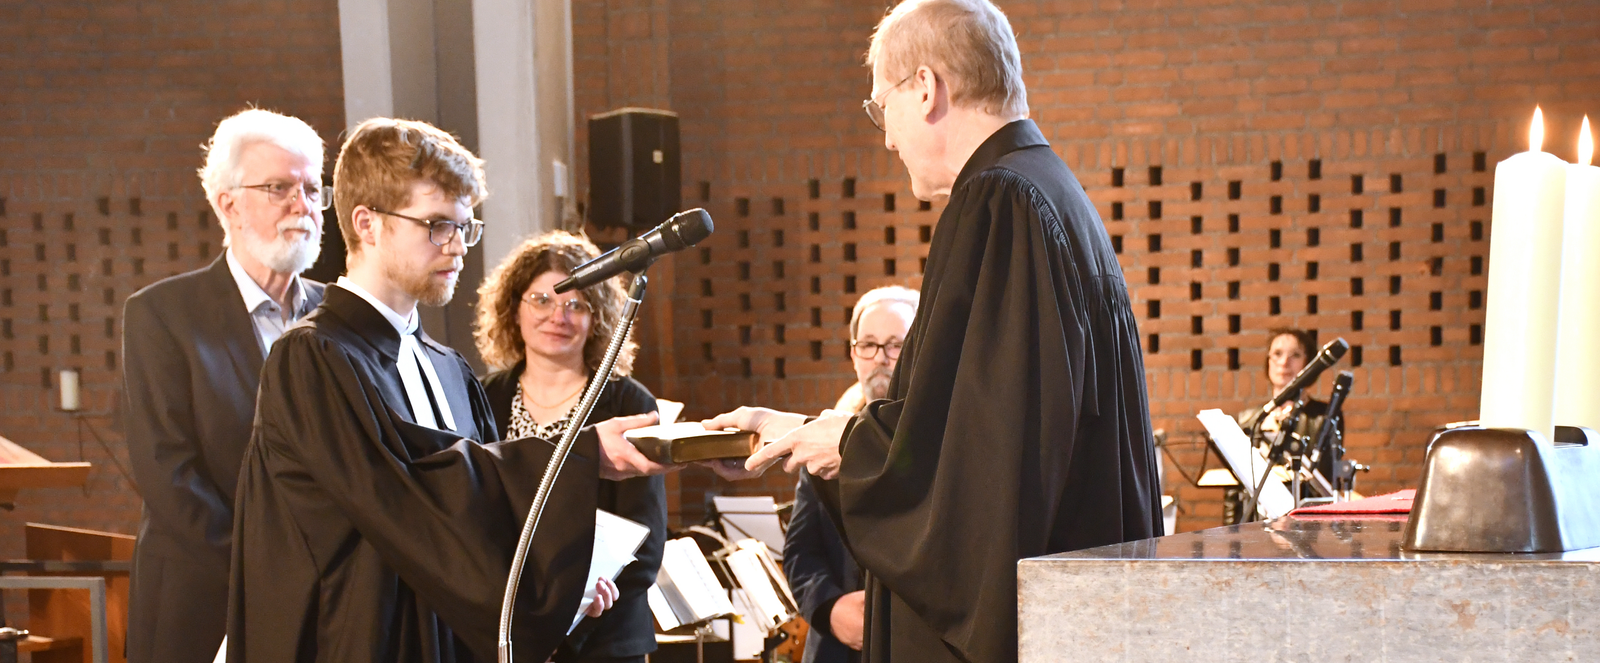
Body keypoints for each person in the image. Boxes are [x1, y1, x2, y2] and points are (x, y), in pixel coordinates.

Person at [704, 2, 1163, 662]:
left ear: (925, 88)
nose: (886, 137)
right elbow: (970, 432)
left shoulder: (998, 201)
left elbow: (980, 478)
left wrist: (855, 444)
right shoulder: (1052, 192)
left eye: (879, 105)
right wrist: (814, 433)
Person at [227, 117, 672, 662]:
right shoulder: (315, 358)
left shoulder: (449, 369)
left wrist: (565, 583)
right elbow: (406, 498)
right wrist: (581, 453)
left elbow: (482, 511)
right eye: (437, 224)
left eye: (466, 226)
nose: (458, 247)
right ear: (367, 224)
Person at [121, 108, 329, 663]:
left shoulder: (338, 316)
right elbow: (169, 473)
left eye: (312, 188)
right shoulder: (163, 315)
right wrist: (270, 569)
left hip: (328, 599)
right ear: (227, 202)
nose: (301, 205)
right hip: (203, 595)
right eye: (278, 187)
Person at [475, 231, 666, 663]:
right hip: (505, 632)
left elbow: (645, 539)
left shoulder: (628, 402)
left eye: (576, 304)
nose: (557, 316)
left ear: (598, 318)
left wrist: (565, 624)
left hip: (604, 639)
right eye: (541, 300)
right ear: (514, 308)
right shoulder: (484, 396)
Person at [787, 286, 919, 663]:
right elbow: (801, 551)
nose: (881, 359)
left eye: (896, 345)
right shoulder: (825, 436)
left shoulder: (942, 440)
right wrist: (830, 608)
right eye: (869, 345)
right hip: (836, 649)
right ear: (853, 354)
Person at [1229, 328, 1342, 523]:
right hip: (1253, 525)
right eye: (1277, 354)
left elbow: (1325, 478)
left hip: (1306, 524)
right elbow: (1233, 488)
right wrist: (1231, 535)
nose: (1284, 362)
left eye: (1295, 355)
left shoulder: (1325, 416)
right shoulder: (1249, 419)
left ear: (1309, 364)